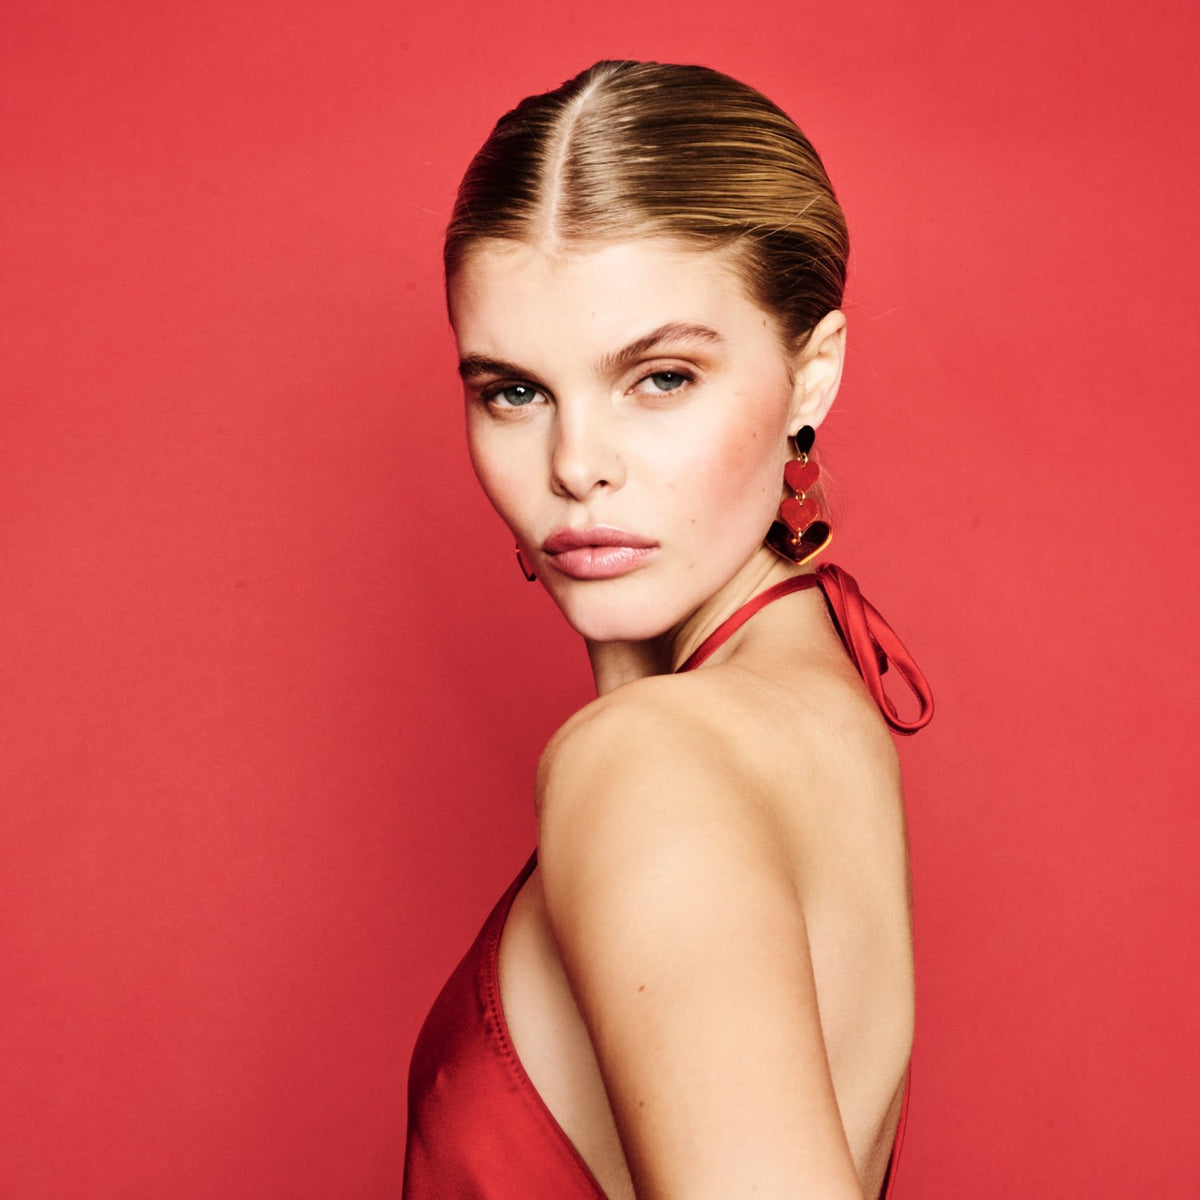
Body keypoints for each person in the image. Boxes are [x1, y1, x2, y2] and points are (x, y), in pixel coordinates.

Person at [403, 60, 933, 1200]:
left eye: (660, 377)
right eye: (514, 391)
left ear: (811, 375)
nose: (574, 465)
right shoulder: (815, 706)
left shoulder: (650, 759)